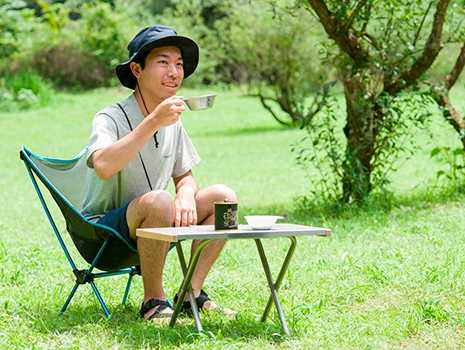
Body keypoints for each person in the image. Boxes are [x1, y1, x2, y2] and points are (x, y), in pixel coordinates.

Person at [82, 25, 237, 323]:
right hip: (105, 234)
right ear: (137, 70)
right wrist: (153, 121)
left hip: (157, 222)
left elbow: (186, 176)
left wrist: (187, 194)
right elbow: (102, 166)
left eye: (179, 64)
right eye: (163, 62)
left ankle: (191, 293)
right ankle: (153, 300)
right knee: (160, 200)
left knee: (224, 198)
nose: (174, 72)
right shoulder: (110, 117)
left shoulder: (172, 120)